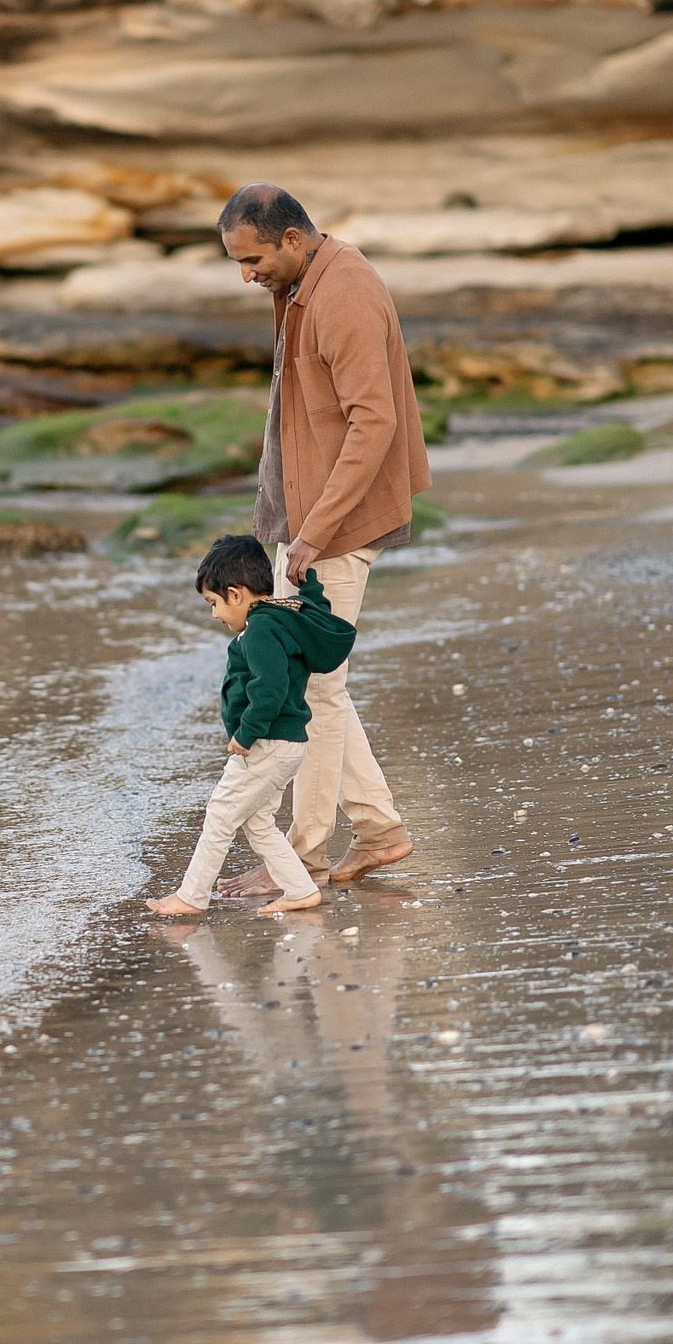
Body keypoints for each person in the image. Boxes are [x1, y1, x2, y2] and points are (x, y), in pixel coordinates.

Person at [215, 183, 430, 892]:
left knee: (316, 690)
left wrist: (312, 533)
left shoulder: (345, 295)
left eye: (252, 259)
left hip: (334, 526)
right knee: (324, 686)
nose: (246, 275)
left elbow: (376, 423)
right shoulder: (303, 287)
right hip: (308, 522)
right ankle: (379, 830)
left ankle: (304, 856)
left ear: (293, 240)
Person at [144, 534, 356, 919]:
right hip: (286, 744)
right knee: (258, 823)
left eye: (214, 603)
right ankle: (300, 889)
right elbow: (316, 608)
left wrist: (245, 734)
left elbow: (269, 688)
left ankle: (192, 896)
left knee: (221, 814)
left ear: (236, 593)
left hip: (266, 743)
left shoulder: (260, 630)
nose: (214, 614)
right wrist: (309, 584)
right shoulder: (284, 615)